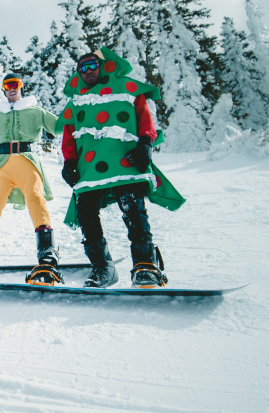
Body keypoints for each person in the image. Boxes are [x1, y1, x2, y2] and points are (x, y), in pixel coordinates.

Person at [58, 47, 185, 288]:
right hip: (90, 169)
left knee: (134, 213)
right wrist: (69, 161)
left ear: (103, 66)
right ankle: (102, 268)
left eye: (92, 65)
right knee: (86, 216)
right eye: (82, 67)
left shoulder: (127, 89)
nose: (87, 71)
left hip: (126, 163)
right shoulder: (76, 101)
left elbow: (144, 117)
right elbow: (68, 135)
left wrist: (146, 143)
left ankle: (145, 267)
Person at [0, 73, 63, 285]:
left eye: (15, 84)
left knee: (36, 198)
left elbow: (60, 127)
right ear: (4, 90)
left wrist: (77, 114)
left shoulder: (36, 111)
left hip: (27, 160)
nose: (12, 88)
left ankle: (47, 250)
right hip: (2, 164)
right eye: (8, 86)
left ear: (21, 87)